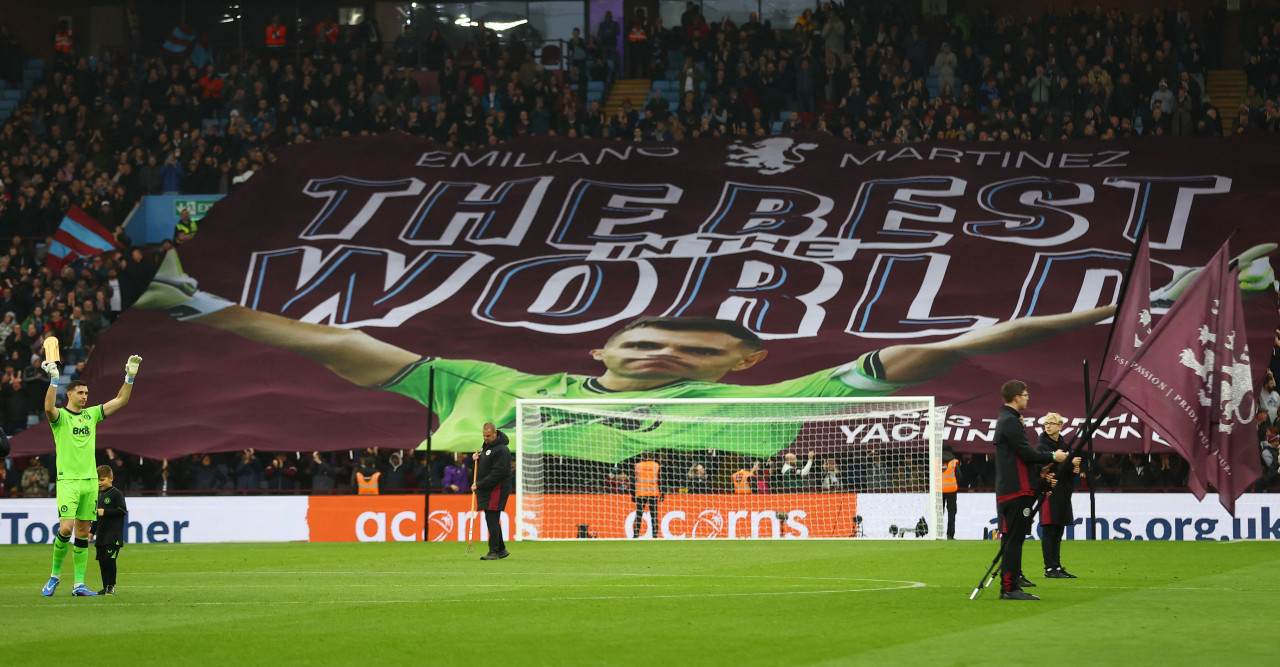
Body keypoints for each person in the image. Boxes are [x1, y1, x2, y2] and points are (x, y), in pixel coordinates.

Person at [134, 251, 1117, 458]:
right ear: (604, 341)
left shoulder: (779, 400)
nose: (658, 353)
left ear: (735, 369)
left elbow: (958, 342)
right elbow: (340, 343)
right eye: (645, 338)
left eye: (694, 350)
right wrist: (199, 305)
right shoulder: (501, 386)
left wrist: (1128, 300)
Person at [40, 354, 142, 597]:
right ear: (70, 395)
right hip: (68, 480)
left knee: (83, 532)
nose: (85, 396)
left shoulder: (92, 414)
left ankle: (78, 585)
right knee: (65, 529)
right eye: (81, 393)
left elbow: (121, 400)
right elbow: (47, 408)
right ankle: (54, 576)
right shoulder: (60, 418)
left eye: (86, 393)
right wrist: (53, 382)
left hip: (89, 482)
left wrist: (129, 377)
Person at [993, 380, 1066, 601]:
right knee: (1014, 540)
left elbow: (1019, 456)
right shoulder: (1010, 421)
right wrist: (1053, 457)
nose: (1027, 398)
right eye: (1026, 395)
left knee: (1013, 539)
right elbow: (1025, 452)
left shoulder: (1009, 420)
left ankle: (1011, 585)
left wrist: (1039, 472)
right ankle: (1009, 587)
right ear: (1017, 397)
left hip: (1013, 488)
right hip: (1016, 490)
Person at [1038, 412, 1082, 578]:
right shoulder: (1042, 446)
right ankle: (1049, 568)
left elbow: (1064, 470)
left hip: (1063, 491)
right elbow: (1045, 469)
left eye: (1051, 423)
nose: (1048, 426)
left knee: (1058, 530)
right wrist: (1069, 463)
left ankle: (1056, 565)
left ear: (1060, 426)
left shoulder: (1065, 445)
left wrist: (1073, 470)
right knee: (1049, 530)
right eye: (1046, 423)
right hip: (1050, 492)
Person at [473, 422, 513, 560]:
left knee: (492, 519)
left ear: (495, 433)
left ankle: (494, 551)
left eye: (488, 436)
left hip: (497, 489)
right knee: (492, 519)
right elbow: (487, 463)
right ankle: (501, 549)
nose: (485, 438)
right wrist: (478, 458)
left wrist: (479, 485)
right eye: (484, 436)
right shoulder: (487, 446)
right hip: (488, 489)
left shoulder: (502, 450)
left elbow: (498, 473)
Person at [90, 465, 127, 595]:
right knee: (102, 561)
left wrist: (105, 512)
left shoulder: (116, 493)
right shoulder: (97, 495)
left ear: (111, 478)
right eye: (97, 480)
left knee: (110, 560)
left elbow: (122, 510)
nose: (99, 483)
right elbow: (96, 516)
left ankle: (111, 586)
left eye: (102, 479)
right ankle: (105, 586)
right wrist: (91, 531)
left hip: (113, 535)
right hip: (101, 535)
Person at [632, 451, 661, 538]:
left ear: (642, 456)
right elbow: (660, 480)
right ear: (652, 456)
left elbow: (633, 480)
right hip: (653, 492)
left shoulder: (637, 466)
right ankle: (655, 535)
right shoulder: (656, 465)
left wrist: (633, 494)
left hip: (641, 493)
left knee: (639, 514)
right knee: (654, 515)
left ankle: (636, 534)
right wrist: (662, 493)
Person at [940, 444, 958, 540]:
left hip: (939, 490)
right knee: (951, 512)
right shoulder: (954, 461)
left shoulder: (936, 461)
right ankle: (950, 534)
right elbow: (959, 476)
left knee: (939, 512)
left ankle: (938, 533)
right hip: (951, 490)